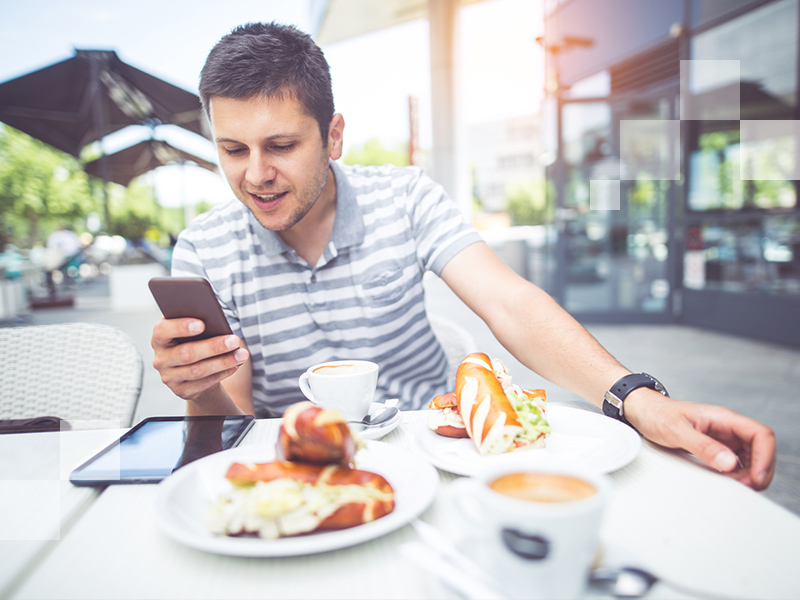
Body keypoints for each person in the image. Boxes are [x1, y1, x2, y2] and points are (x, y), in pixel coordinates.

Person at [151, 22, 775, 491]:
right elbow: (229, 420)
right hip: (303, 474)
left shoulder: (406, 196)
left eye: (281, 145)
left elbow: (510, 303)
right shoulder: (205, 249)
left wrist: (640, 400)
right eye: (232, 150)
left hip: (439, 458)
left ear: (333, 135)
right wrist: (195, 386)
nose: (256, 175)